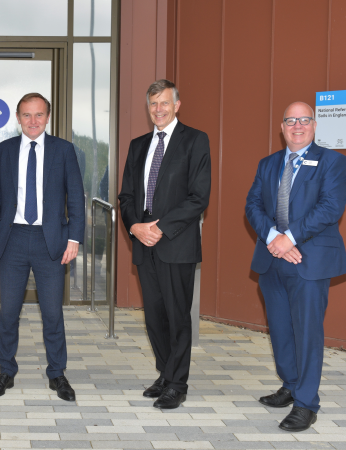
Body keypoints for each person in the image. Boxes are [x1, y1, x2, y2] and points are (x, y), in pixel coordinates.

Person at [245, 102, 346, 432]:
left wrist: (289, 238)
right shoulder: (269, 163)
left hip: (310, 260)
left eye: (304, 120)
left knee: (306, 332)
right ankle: (290, 385)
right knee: (280, 329)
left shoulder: (332, 161)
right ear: (282, 127)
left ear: (314, 125)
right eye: (291, 120)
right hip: (272, 259)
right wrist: (274, 237)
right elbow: (253, 206)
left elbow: (330, 208)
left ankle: (306, 403)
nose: (297, 125)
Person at [0, 93, 85, 401]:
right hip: (11, 240)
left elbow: (76, 198)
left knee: (52, 312)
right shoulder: (4, 151)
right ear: (18, 117)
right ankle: (5, 371)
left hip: (50, 241)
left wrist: (74, 239)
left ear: (48, 117)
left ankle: (57, 374)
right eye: (27, 115)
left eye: (39, 115)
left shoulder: (64, 151)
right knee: (9, 311)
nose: (33, 121)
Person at [118, 79, 211, 410]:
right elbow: (126, 196)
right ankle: (165, 372)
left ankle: (177, 383)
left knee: (177, 315)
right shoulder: (138, 144)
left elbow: (198, 196)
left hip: (176, 243)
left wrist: (161, 227)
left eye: (165, 103)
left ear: (177, 105)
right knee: (154, 317)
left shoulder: (195, 141)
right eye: (153, 104)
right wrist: (135, 227)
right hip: (144, 243)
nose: (159, 109)